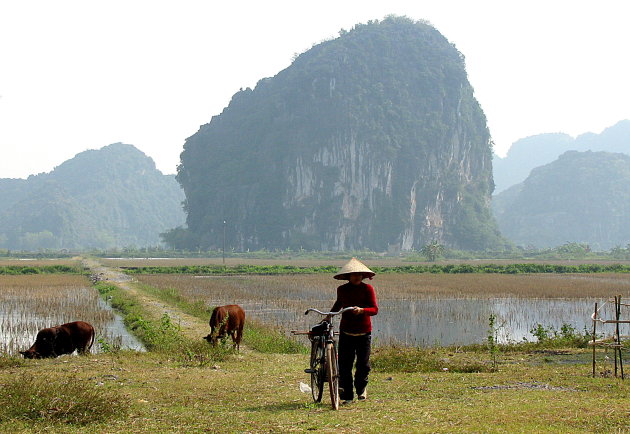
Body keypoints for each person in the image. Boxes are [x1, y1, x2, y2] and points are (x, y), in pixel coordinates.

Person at [329, 257, 378, 403]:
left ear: (363, 276)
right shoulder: (342, 289)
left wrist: (362, 310)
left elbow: (374, 309)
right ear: (348, 277)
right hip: (346, 332)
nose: (357, 277)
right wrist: (329, 316)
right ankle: (347, 396)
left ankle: (361, 389)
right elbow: (339, 304)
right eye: (353, 275)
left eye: (359, 275)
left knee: (363, 365)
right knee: (344, 365)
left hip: (364, 332)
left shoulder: (367, 288)